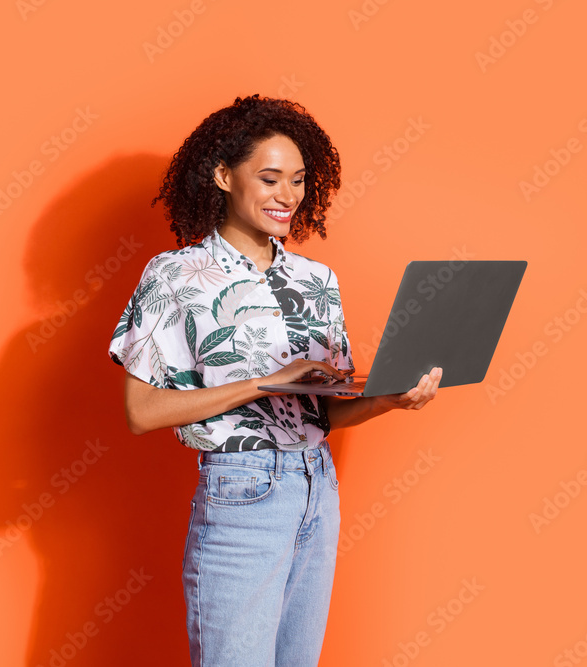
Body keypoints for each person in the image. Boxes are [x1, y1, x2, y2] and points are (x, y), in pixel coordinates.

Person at [107, 94, 442, 667]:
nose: (287, 196)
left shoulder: (316, 281)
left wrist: (386, 399)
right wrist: (268, 382)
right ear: (221, 175)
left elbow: (323, 414)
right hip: (242, 492)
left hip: (317, 486)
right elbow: (142, 411)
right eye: (269, 178)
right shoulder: (178, 275)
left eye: (297, 180)